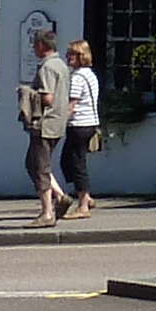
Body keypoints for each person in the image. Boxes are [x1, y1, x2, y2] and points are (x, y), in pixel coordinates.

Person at [20, 31, 71, 225]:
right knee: (33, 164)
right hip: (57, 122)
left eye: (35, 44)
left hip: (45, 124)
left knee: (40, 167)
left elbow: (47, 98)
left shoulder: (47, 68)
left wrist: (27, 92)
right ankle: (60, 196)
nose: (34, 48)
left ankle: (47, 213)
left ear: (42, 45)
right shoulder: (61, 65)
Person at [60, 41, 101, 222]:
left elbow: (72, 105)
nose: (68, 57)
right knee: (67, 161)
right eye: (68, 53)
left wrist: (61, 123)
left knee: (77, 165)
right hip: (90, 123)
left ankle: (83, 205)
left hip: (79, 124)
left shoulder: (77, 78)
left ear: (81, 56)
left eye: (73, 54)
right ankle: (87, 197)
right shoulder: (90, 75)